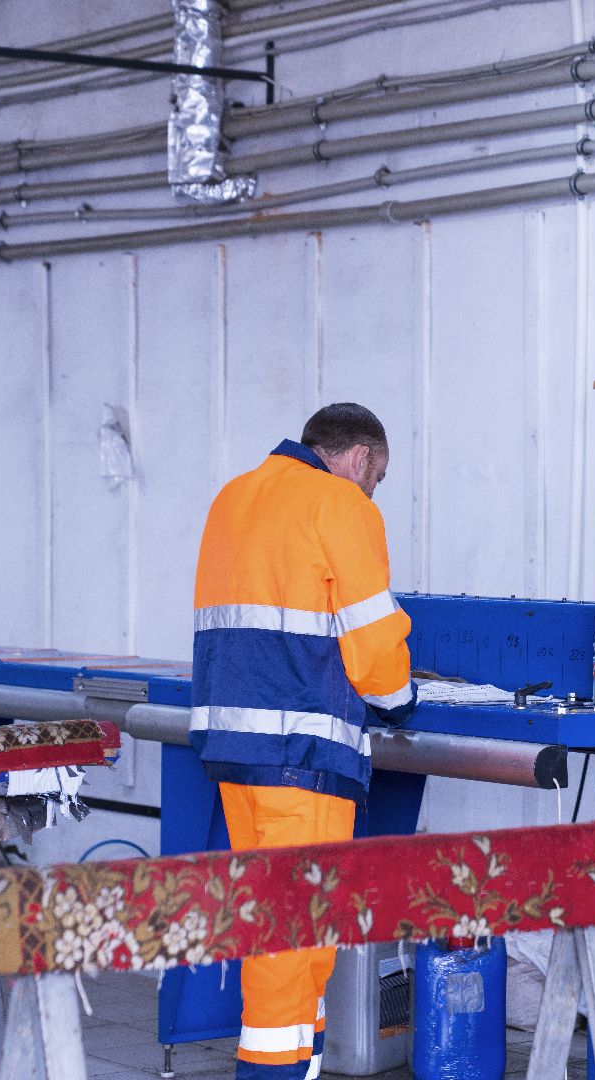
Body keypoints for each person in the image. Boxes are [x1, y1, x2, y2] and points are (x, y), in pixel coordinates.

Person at [191, 402, 414, 1080]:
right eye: (376, 478)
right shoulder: (339, 503)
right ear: (359, 457)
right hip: (303, 753)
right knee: (297, 932)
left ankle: (298, 1064)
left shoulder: (234, 497)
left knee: (272, 920)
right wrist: (399, 698)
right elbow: (372, 636)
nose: (372, 492)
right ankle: (272, 1072)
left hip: (236, 748)